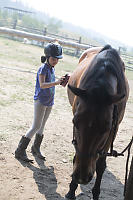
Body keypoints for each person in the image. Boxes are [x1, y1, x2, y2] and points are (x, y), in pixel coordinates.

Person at [15, 42, 66, 162]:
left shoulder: (52, 68)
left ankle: (35, 148)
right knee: (36, 126)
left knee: (42, 126)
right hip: (40, 100)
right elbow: (42, 85)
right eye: (53, 59)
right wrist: (57, 82)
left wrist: (61, 81)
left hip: (49, 101)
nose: (55, 61)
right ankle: (20, 151)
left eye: (57, 59)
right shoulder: (43, 68)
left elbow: (51, 84)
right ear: (47, 57)